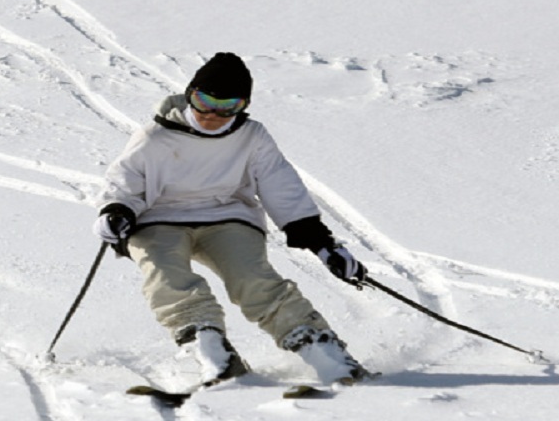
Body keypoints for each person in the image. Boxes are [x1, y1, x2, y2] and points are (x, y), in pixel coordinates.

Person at [92, 52, 371, 386]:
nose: (213, 115)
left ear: (244, 106)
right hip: (159, 219)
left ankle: (321, 349)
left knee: (252, 278)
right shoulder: (156, 136)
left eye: (228, 106)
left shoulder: (251, 136)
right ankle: (209, 347)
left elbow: (281, 188)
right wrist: (116, 212)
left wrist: (324, 245)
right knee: (166, 274)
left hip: (227, 216)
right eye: (204, 101)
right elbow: (124, 183)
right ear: (190, 94)